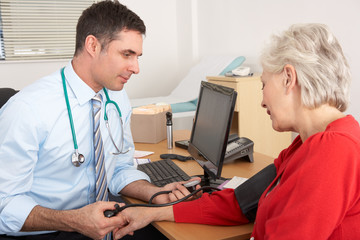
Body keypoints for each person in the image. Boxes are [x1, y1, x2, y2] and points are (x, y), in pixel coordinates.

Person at [113, 23, 360, 240]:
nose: (262, 101)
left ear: (288, 78)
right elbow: (242, 202)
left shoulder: (335, 150)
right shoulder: (304, 146)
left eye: (264, 85)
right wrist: (155, 212)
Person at [0, 1, 194, 239]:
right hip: (46, 230)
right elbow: (4, 206)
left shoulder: (116, 97)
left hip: (103, 219)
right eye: (127, 54)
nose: (136, 67)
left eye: (137, 56)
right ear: (92, 45)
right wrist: (75, 220)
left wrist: (155, 194)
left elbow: (120, 167)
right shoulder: (27, 109)